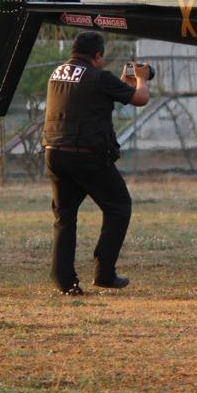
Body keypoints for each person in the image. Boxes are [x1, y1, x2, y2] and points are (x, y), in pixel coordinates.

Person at [42, 31, 151, 295]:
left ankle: (64, 282)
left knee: (64, 217)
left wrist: (123, 83)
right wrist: (141, 79)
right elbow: (140, 98)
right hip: (86, 155)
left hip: (54, 151)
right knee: (118, 207)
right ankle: (104, 273)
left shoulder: (57, 74)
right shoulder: (98, 77)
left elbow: (92, 99)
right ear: (98, 56)